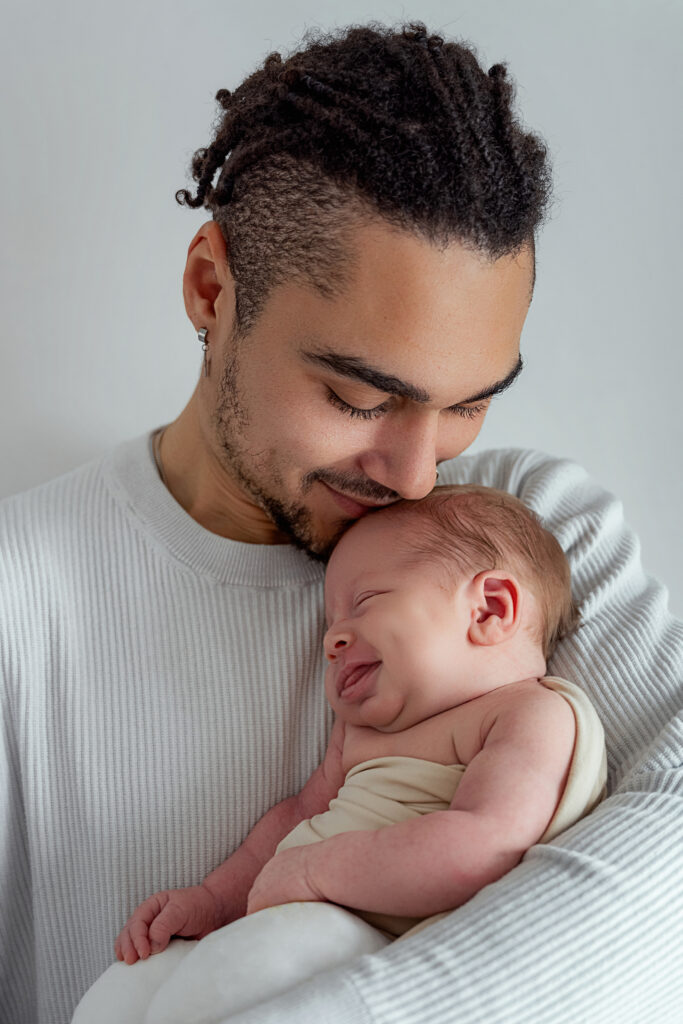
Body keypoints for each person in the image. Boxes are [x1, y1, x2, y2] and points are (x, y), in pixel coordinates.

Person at [0, 20, 681, 1024]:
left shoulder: (526, 536)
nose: (415, 474)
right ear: (210, 287)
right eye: (359, 397)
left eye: (465, 403)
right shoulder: (21, 602)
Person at [73, 484, 606, 1023]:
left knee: (214, 991)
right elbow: (298, 816)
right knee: (124, 992)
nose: (332, 641)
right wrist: (214, 900)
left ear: (490, 608)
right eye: (331, 625)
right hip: (283, 921)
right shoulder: (361, 732)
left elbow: (484, 846)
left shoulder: (528, 714)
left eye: (366, 603)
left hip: (373, 943)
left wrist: (316, 873)